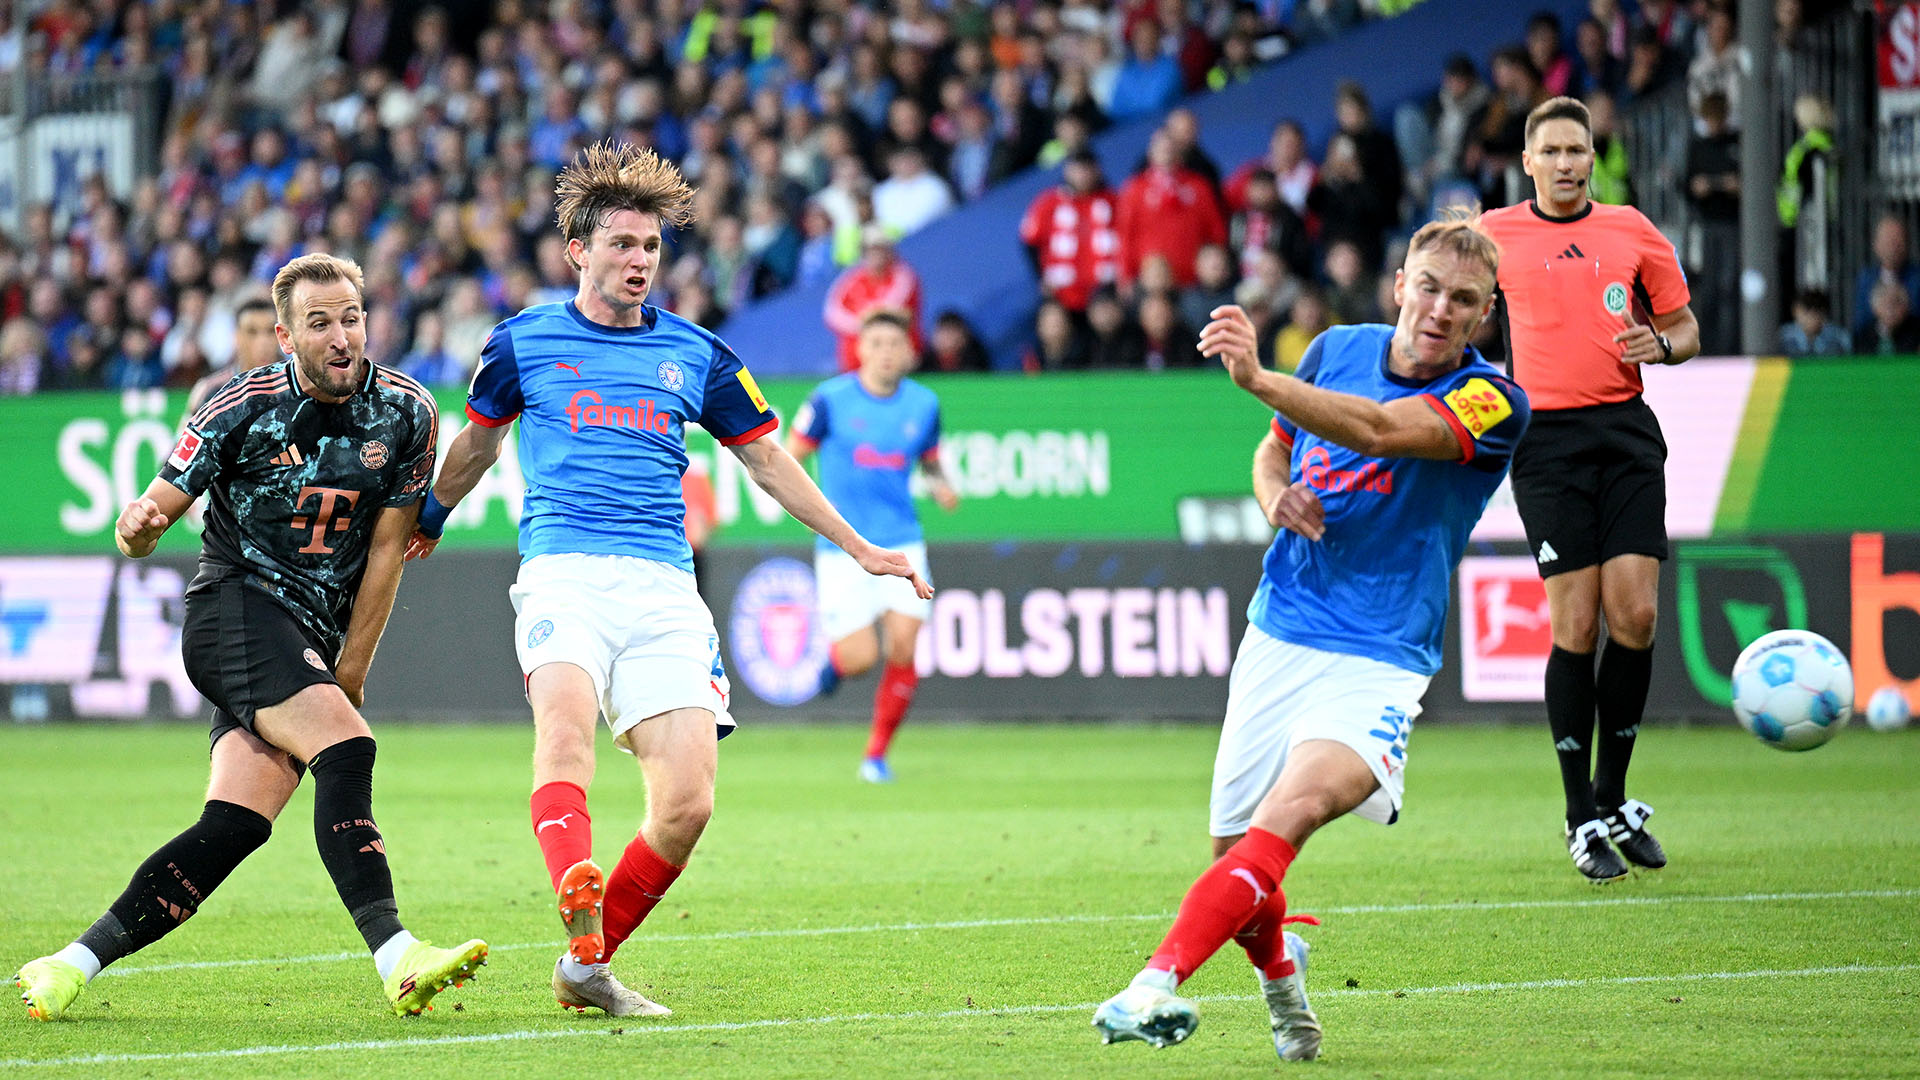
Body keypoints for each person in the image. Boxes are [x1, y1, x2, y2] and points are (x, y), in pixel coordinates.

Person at [404, 143, 931, 1017]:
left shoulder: (698, 353)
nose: (639, 260)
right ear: (579, 250)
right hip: (563, 572)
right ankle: (576, 886)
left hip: (663, 586)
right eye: (621, 244)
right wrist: (430, 514)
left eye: (650, 246)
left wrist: (857, 545)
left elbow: (765, 460)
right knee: (564, 736)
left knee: (685, 803)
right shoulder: (522, 342)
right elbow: (479, 445)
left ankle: (584, 969)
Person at [1092, 210, 1529, 1061]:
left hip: (1381, 658)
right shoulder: (1336, 347)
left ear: (1484, 317)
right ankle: (1282, 982)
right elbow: (1273, 452)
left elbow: (1378, 431)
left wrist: (1258, 377)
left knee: (1286, 820)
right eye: (1429, 288)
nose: (1440, 310)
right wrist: (1273, 497)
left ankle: (1151, 983)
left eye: (1464, 301)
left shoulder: (1494, 400)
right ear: (1400, 286)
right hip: (1280, 633)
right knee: (1236, 859)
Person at [12, 253, 486, 1022]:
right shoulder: (237, 406)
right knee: (348, 746)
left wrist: (350, 666)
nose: (342, 337)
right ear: (287, 335)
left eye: (353, 317)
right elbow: (153, 515)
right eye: (321, 323)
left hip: (309, 630)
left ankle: (67, 964)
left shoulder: (406, 413)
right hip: (234, 607)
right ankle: (399, 956)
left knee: (233, 826)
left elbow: (389, 548)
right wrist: (137, 528)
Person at [1479, 96, 1701, 884]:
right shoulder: (1494, 235)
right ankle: (1580, 817)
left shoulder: (1633, 229)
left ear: (1591, 159)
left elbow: (1686, 328)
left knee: (1634, 614)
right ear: (1529, 162)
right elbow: (1442, 296)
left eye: (1580, 150)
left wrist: (1662, 345)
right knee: (1575, 622)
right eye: (1554, 151)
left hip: (1625, 432)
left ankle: (1612, 796)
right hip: (1547, 445)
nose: (1568, 163)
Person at [788, 309, 959, 782]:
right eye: (877, 343)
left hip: (904, 540)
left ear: (909, 353)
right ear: (860, 349)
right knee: (861, 658)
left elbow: (930, 458)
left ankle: (876, 755)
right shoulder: (829, 399)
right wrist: (805, 508)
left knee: (903, 646)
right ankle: (836, 668)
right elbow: (791, 453)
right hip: (844, 548)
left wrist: (942, 484)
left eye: (894, 344)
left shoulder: (923, 404)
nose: (886, 352)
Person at [824, 224, 924, 372]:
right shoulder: (852, 278)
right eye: (870, 250)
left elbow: (885, 314)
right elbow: (833, 313)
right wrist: (863, 321)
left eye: (880, 249)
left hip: (897, 363)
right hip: (855, 363)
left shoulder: (903, 276)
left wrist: (864, 320)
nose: (875, 254)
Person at [182, 296, 283, 419]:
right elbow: (185, 437)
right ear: (236, 337)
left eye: (270, 331)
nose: (263, 342)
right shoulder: (211, 390)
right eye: (252, 332)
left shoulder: (301, 385)